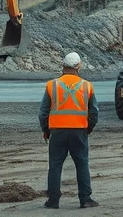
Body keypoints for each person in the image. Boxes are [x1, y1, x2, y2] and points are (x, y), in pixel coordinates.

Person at [39, 52, 99, 209]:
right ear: (79, 66)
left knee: (55, 165)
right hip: (79, 130)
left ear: (63, 66)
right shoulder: (87, 86)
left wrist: (46, 131)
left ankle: (53, 201)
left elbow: (43, 113)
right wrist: (88, 129)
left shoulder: (52, 85)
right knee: (82, 163)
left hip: (57, 131)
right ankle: (85, 199)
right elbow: (94, 113)